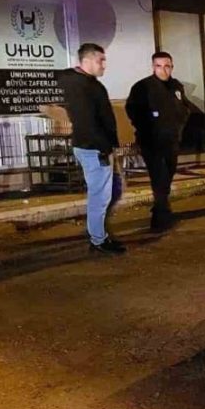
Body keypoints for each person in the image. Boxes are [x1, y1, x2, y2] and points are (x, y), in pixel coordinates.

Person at [58, 43, 125, 255]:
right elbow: (88, 122)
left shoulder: (85, 83)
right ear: (86, 61)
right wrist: (105, 148)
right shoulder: (83, 86)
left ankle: (98, 231)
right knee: (100, 196)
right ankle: (98, 239)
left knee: (112, 189)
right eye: (100, 60)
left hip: (94, 147)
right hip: (94, 148)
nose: (104, 64)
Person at [126, 52, 199, 232]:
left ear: (172, 67)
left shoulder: (176, 86)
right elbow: (132, 109)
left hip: (172, 139)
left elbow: (184, 107)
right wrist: (146, 126)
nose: (163, 70)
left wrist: (181, 121)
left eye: (167, 66)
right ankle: (160, 217)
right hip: (151, 140)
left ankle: (162, 206)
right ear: (153, 67)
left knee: (168, 173)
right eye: (159, 66)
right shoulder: (143, 87)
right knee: (159, 176)